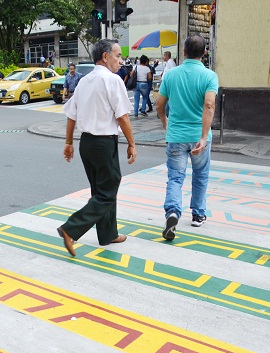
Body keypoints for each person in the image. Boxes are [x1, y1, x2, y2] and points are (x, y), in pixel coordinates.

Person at [56, 39, 137, 257]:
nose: (121, 61)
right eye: (118, 56)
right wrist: (131, 143)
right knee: (107, 192)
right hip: (103, 142)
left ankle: (108, 233)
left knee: (100, 190)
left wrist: (68, 142)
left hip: (86, 143)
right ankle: (70, 229)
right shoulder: (112, 80)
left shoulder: (84, 82)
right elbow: (123, 117)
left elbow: (71, 115)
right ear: (105, 57)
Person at [156, 34, 219, 240]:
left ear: (183, 52)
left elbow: (159, 104)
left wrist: (166, 123)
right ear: (204, 53)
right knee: (200, 175)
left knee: (175, 177)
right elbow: (209, 105)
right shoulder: (210, 76)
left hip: (176, 135)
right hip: (200, 136)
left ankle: (173, 211)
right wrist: (203, 136)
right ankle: (198, 215)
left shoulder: (171, 75)